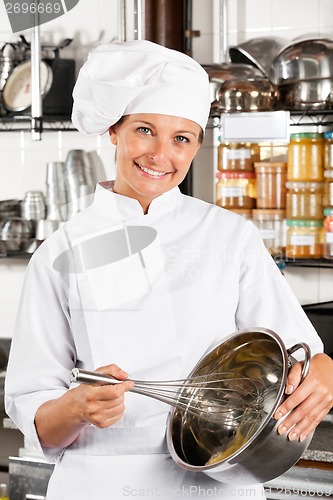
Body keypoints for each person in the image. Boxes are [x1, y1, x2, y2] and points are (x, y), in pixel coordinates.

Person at [5, 40, 333, 500]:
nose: (161, 155)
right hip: (101, 484)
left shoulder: (230, 237)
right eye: (144, 130)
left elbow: (306, 359)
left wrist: (325, 374)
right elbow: (36, 416)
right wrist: (76, 407)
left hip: (219, 480)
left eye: (182, 139)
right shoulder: (61, 254)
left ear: (198, 145)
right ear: (114, 131)